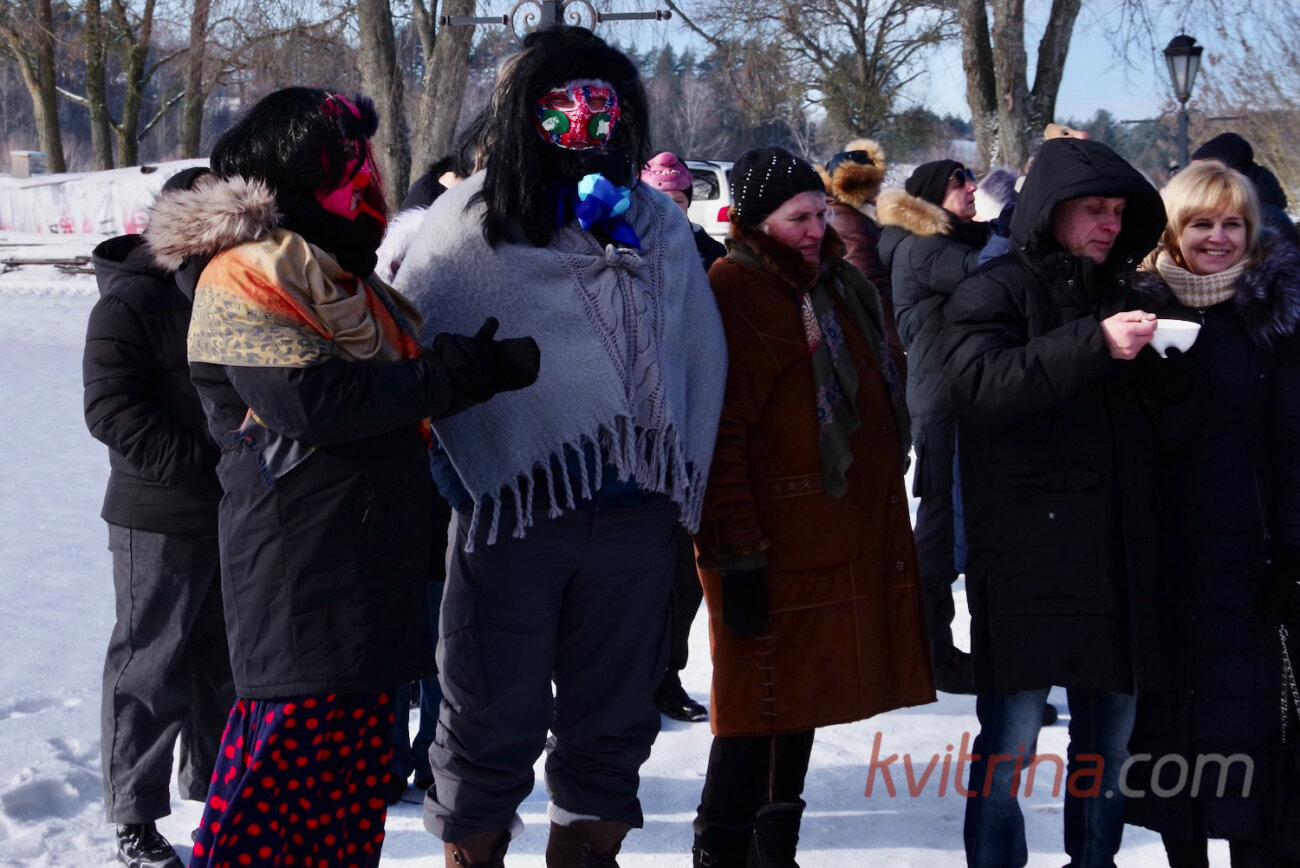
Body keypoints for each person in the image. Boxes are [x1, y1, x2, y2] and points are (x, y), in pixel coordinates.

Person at [143, 86, 539, 868]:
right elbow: (310, 403)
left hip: (368, 569)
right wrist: (452, 377)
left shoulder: (341, 276)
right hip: (300, 577)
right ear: (299, 169)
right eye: (346, 160)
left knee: (344, 818)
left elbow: (378, 393)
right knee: (266, 815)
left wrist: (462, 366)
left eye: (366, 158)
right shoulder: (245, 269)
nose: (367, 177)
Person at [394, 27, 727, 867]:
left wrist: (673, 488)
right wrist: (467, 478)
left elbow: (693, 351)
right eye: (563, 108)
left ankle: (586, 853)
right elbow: (417, 348)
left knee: (614, 717)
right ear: (524, 114)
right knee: (487, 711)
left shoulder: (657, 224)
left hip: (636, 511)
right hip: (514, 509)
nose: (584, 125)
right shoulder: (469, 222)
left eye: (601, 108)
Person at [689, 146, 934, 868]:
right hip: (770, 543)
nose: (815, 229)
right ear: (754, 221)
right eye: (797, 217)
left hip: (822, 536)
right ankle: (722, 855)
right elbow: (721, 437)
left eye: (821, 213)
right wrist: (737, 555)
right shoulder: (738, 290)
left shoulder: (824, 286)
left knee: (796, 710)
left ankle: (776, 854)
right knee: (757, 713)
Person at [943, 136, 1176, 868]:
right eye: (1094, 208)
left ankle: (1094, 861)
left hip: (1117, 553)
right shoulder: (993, 289)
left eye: (1119, 211)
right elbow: (978, 387)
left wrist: (1173, 363)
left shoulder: (1131, 293)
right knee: (1010, 742)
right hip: (1027, 555)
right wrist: (1093, 343)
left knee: (1107, 742)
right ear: (1052, 209)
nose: (1111, 223)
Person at [1126, 158, 1300, 867]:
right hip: (1161, 558)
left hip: (1247, 558)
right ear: (1174, 229)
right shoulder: (1135, 312)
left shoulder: (1275, 318)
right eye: (1202, 223)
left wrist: (1291, 554)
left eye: (1233, 224)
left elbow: (1293, 444)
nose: (1219, 238)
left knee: (1252, 746)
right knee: (1175, 742)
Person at [83, 166, 234, 868]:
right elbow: (110, 409)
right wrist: (201, 467)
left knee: (222, 664)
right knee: (149, 665)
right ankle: (134, 819)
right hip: (158, 513)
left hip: (231, 510)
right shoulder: (130, 301)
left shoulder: (225, 286)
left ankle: (215, 794)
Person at [878, 159, 988, 694]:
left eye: (971, 179)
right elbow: (989, 268)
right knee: (941, 529)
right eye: (958, 182)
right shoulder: (925, 248)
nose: (971, 187)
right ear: (928, 198)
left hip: (951, 395)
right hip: (945, 401)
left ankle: (930, 647)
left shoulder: (939, 241)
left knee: (947, 524)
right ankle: (932, 650)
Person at [635, 149, 722, 725]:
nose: (673, 207)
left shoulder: (711, 256)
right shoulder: (621, 250)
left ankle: (666, 675)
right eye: (663, 198)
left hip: (693, 428)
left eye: (681, 198)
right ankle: (622, 680)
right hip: (638, 430)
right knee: (632, 571)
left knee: (684, 577)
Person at [822, 139, 907, 387]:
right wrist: (900, 342)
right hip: (868, 338)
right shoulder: (852, 222)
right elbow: (871, 287)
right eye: (874, 186)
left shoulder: (839, 213)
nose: (879, 194)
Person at [1190, 132, 1299, 245]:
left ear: (1226, 173)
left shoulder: (1264, 217)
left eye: (1201, 173)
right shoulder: (1244, 208)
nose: (1192, 180)